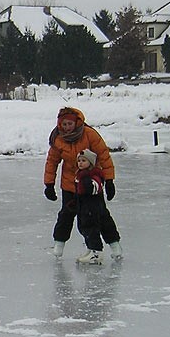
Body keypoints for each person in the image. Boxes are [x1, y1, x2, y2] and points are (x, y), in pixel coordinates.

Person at [44, 106, 122, 260]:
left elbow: (104, 156)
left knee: (98, 216)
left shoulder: (89, 134)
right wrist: (49, 184)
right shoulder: (58, 138)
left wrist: (109, 180)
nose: (67, 128)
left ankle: (113, 246)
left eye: (69, 124)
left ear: (77, 122)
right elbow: (52, 161)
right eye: (64, 125)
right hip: (69, 185)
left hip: (90, 186)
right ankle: (59, 245)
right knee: (66, 215)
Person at [73, 149, 119, 264]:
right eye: (79, 161)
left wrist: (86, 182)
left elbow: (95, 188)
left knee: (92, 228)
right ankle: (91, 249)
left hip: (93, 209)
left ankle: (96, 253)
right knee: (86, 229)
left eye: (83, 160)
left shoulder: (93, 175)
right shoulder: (80, 175)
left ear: (91, 162)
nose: (80, 163)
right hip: (85, 208)